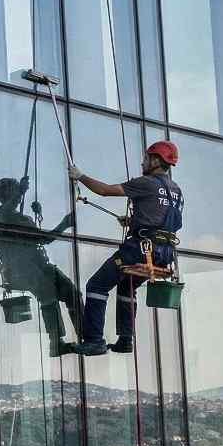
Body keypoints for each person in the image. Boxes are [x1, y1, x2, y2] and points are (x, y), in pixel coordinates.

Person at [68, 140, 183, 356]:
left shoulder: (147, 183)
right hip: (163, 253)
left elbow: (104, 191)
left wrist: (80, 176)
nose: (143, 162)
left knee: (97, 285)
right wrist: (134, 221)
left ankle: (94, 340)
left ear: (156, 161)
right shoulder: (176, 190)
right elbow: (164, 220)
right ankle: (125, 339)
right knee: (126, 287)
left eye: (146, 158)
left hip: (139, 250)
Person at [0, 177, 82, 357]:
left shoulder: (18, 218)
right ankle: (56, 342)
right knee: (48, 296)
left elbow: (40, 238)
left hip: (38, 266)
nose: (19, 197)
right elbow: (45, 238)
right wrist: (64, 223)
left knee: (72, 293)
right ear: (7, 194)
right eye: (15, 191)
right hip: (23, 269)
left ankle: (86, 336)